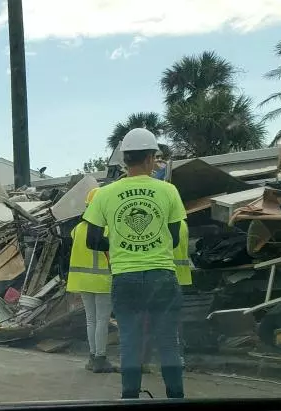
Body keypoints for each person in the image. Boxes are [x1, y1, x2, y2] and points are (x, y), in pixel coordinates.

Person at [83, 128, 187, 399]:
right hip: (161, 276)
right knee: (168, 342)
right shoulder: (168, 190)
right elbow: (174, 238)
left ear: (125, 160)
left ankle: (130, 398)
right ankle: (176, 397)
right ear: (151, 158)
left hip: (125, 278)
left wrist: (120, 243)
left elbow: (92, 240)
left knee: (130, 342)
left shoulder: (104, 194)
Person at [66, 187, 115, 373]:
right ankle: (100, 359)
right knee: (103, 320)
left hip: (82, 281)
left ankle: (93, 357)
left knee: (91, 320)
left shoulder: (77, 229)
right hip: (102, 280)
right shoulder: (107, 229)